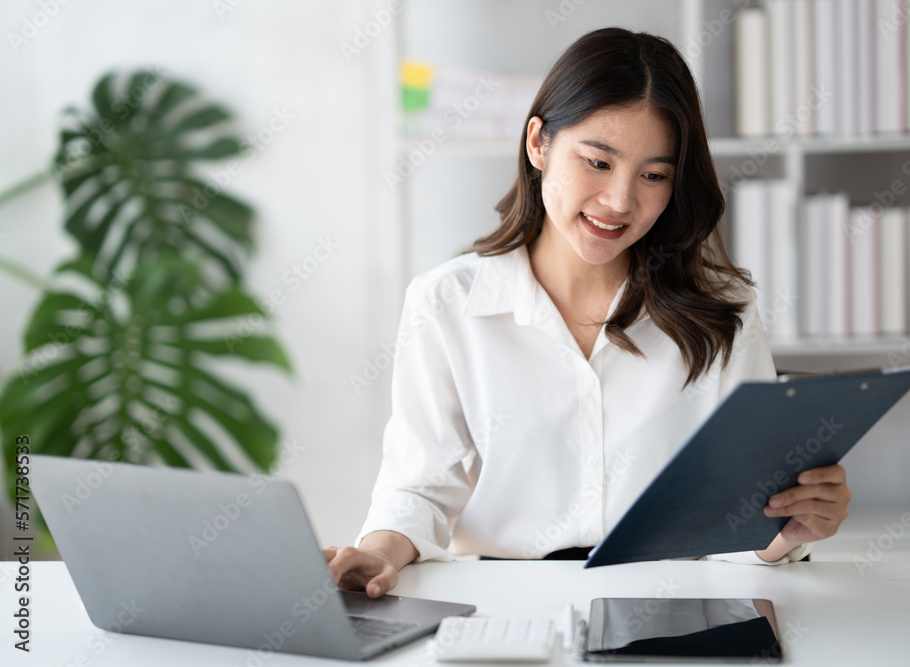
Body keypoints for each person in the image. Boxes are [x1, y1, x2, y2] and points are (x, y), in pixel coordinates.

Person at [325, 27, 851, 598]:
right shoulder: (446, 304)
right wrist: (378, 553)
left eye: (653, 175)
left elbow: (740, 513)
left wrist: (787, 530)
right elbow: (420, 487)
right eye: (598, 162)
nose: (621, 200)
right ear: (538, 145)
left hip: (672, 600)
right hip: (501, 601)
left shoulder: (723, 312)